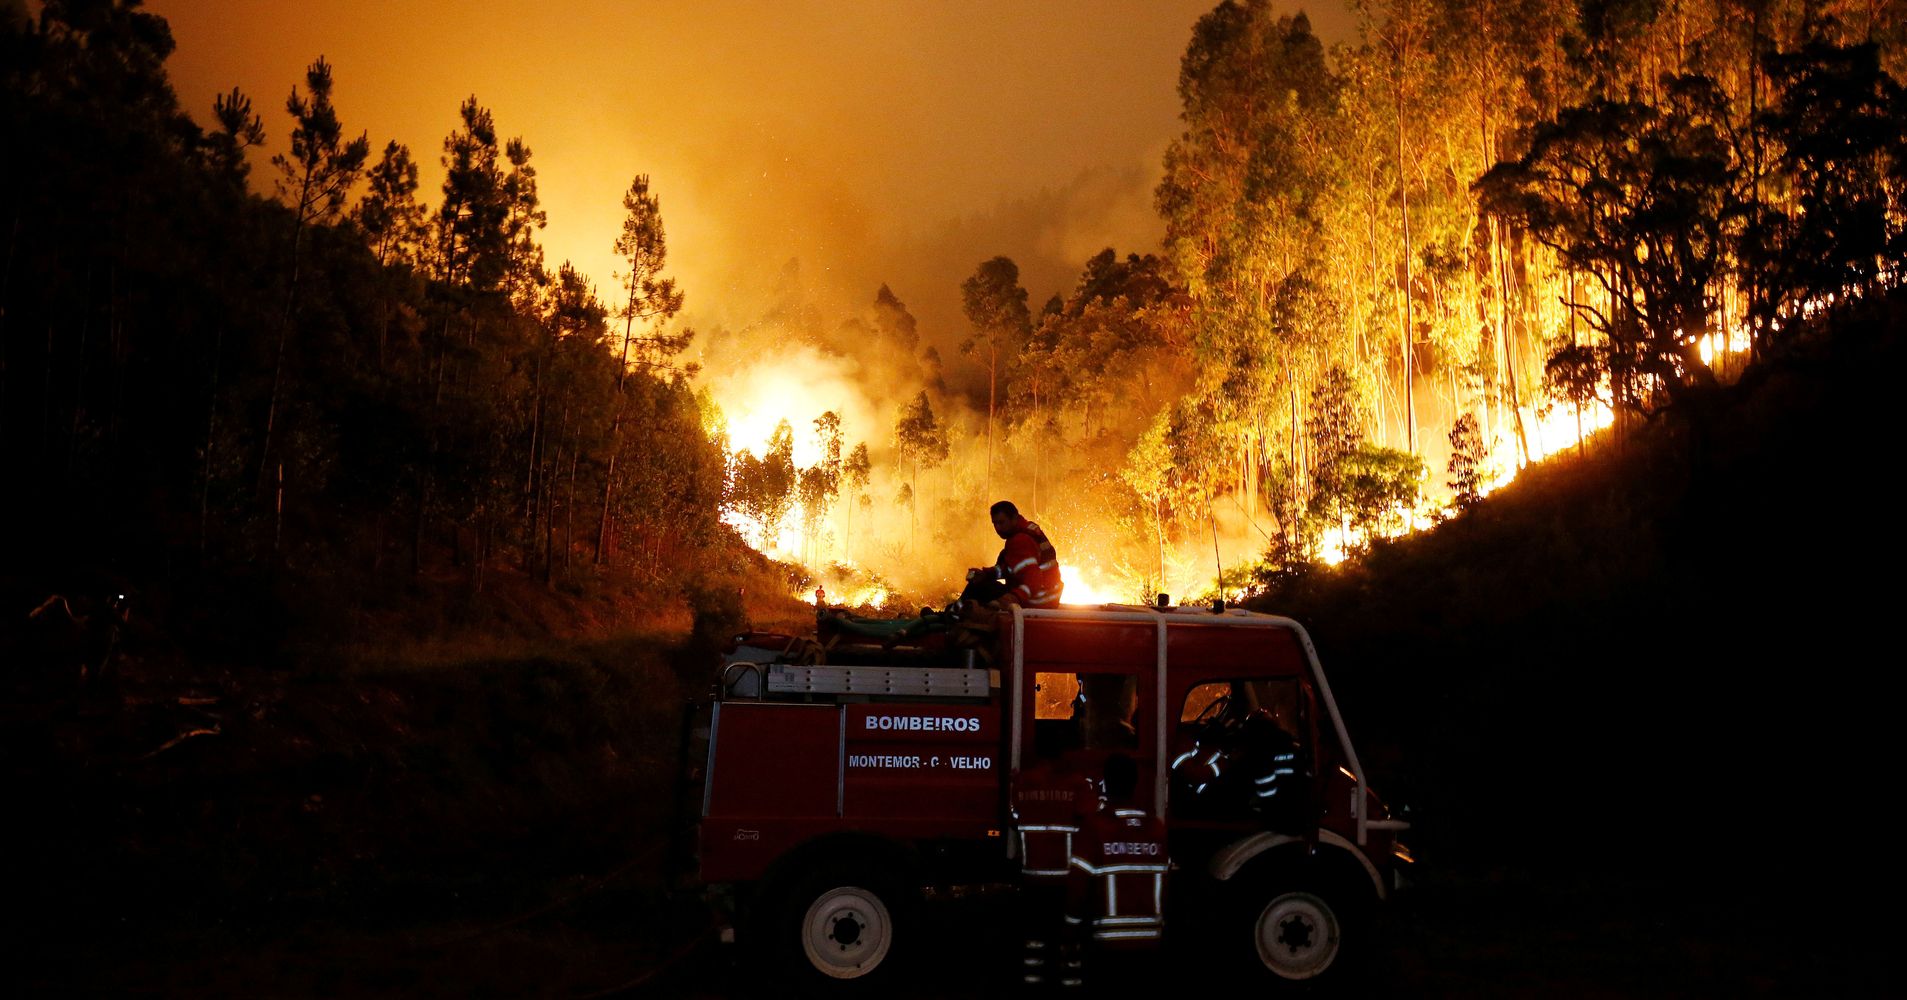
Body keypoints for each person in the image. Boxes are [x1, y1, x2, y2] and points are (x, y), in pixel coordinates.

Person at [1059, 754, 1170, 988]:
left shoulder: (1095, 828)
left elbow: (1077, 889)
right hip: (1151, 944)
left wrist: (1070, 931)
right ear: (1136, 783)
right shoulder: (1156, 829)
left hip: (1108, 946)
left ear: (1105, 784)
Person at [960, 500, 1063, 609]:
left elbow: (1033, 578)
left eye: (1001, 522)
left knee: (977, 588)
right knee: (984, 585)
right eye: (995, 523)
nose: (998, 528)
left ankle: (953, 616)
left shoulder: (1020, 540)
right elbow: (1013, 568)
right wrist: (988, 574)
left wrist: (1014, 597)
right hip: (1050, 598)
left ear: (1014, 518)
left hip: (1037, 600)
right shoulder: (1028, 529)